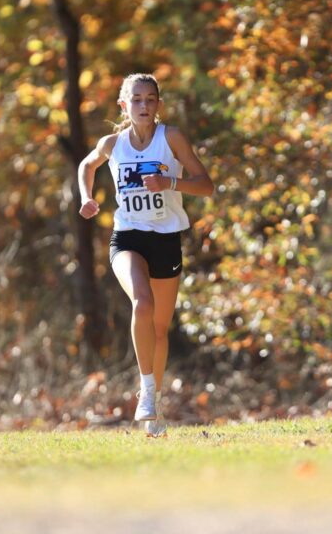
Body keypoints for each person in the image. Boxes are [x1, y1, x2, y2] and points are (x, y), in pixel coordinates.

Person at [78, 73, 214, 436]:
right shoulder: (112, 144)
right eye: (136, 99)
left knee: (159, 328)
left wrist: (170, 182)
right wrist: (86, 197)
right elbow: (86, 165)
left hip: (166, 237)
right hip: (127, 236)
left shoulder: (171, 138)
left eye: (150, 99)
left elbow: (206, 185)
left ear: (158, 105)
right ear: (124, 105)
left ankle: (154, 410)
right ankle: (147, 392)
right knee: (142, 301)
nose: (143, 106)